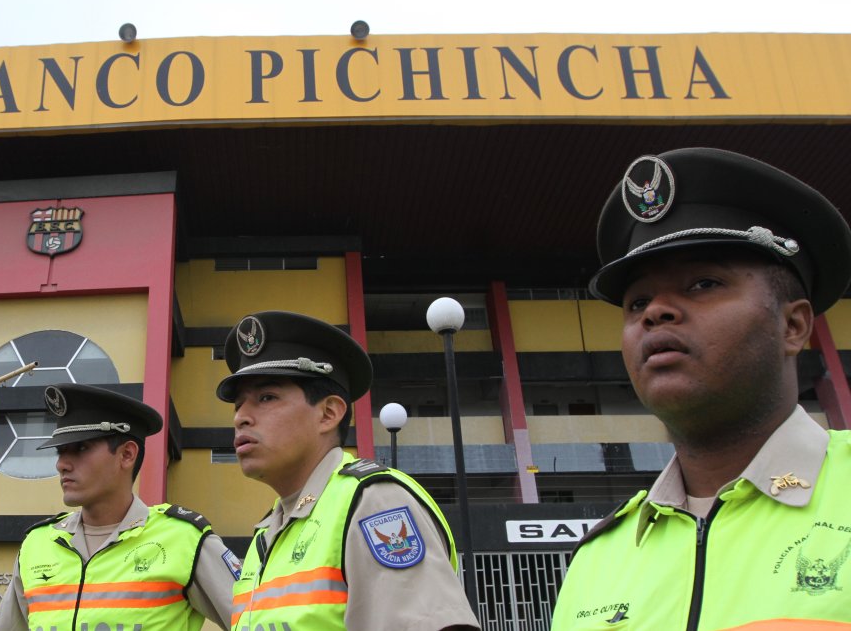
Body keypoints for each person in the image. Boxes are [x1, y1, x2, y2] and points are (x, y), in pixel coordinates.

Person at [551, 148, 851, 629]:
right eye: (637, 303)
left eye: (703, 283)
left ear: (793, 326)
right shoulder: (598, 558)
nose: (654, 313)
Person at [219, 311, 479, 631]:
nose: (240, 418)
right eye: (238, 405)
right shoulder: (267, 532)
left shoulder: (373, 503)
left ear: (329, 413)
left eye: (266, 397)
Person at [0, 383, 238, 631]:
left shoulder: (184, 540)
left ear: (127, 455)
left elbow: (255, 620)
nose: (62, 464)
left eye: (80, 448)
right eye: (60, 451)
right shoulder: (37, 545)